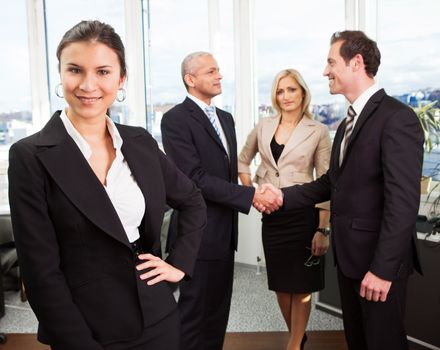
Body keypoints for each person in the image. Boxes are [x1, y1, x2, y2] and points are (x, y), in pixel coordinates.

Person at [8, 20, 207, 350]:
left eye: (102, 71)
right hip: (84, 328)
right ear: (60, 73)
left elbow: (192, 200)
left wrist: (179, 265)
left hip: (156, 316)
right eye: (75, 70)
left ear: (121, 78)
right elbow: (41, 273)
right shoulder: (30, 156)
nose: (88, 84)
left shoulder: (140, 142)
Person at [261, 31, 424, 350]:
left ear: (357, 63)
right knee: (359, 341)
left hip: (378, 266)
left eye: (331, 62)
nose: (325, 71)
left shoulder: (396, 118)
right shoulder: (348, 122)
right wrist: (283, 196)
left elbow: (403, 202)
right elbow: (331, 183)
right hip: (350, 260)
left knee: (384, 342)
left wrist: (382, 269)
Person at [160, 51, 281, 350]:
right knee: (192, 315)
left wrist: (253, 190)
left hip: (225, 233)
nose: (219, 76)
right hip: (195, 234)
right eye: (211, 71)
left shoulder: (225, 119)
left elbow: (227, 174)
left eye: (219, 70)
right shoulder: (175, 119)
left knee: (216, 315)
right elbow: (195, 178)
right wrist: (251, 195)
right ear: (190, 79)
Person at [238, 68, 331, 350]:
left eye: (292, 89)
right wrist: (254, 195)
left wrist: (322, 228)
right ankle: (297, 335)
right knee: (280, 283)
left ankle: (293, 345)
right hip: (273, 216)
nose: (286, 96)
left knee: (302, 286)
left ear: (303, 92)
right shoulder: (264, 126)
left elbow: (327, 182)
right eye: (280, 90)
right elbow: (242, 162)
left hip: (304, 214)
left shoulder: (319, 130)